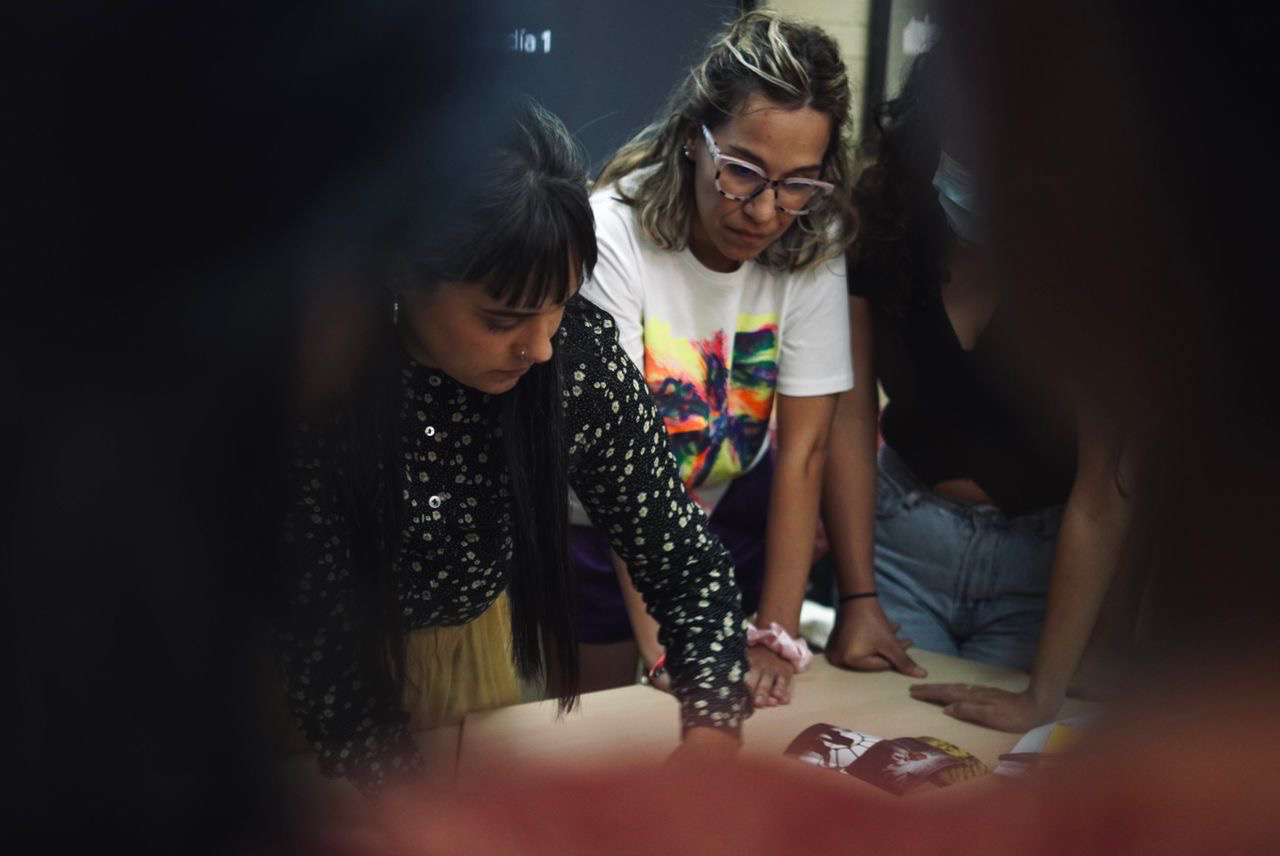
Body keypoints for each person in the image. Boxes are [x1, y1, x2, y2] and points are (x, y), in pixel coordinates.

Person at [275, 102, 752, 797]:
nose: (540, 346)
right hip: (307, 675)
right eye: (502, 319)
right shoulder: (325, 371)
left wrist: (711, 733)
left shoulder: (577, 364)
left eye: (560, 302)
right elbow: (318, 639)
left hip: (470, 656)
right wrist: (404, 803)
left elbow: (683, 562)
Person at [820, 44, 1137, 732]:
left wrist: (1042, 694)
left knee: (984, 771)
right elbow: (848, 416)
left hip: (1040, 577)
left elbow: (1105, 495)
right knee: (871, 748)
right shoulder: (883, 222)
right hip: (899, 551)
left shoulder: (1103, 264)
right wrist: (858, 596)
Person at [572, 10, 858, 708]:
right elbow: (620, 467)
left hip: (725, 521)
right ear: (692, 139)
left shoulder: (810, 238)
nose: (765, 211)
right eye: (743, 172)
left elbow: (805, 453)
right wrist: (666, 649)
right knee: (607, 723)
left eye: (798, 182)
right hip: (596, 533)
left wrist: (775, 637)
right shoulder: (612, 234)